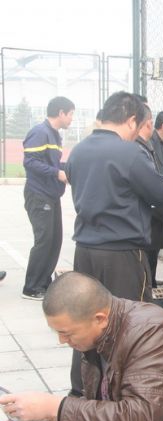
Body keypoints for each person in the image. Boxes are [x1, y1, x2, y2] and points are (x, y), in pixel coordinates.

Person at [0, 271, 163, 421]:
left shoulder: (152, 332)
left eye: (67, 333)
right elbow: (103, 406)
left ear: (99, 318)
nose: (62, 340)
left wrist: (56, 407)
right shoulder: (97, 337)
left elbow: (139, 417)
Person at [65, 91, 163, 395]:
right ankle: (121, 390)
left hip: (85, 250)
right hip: (121, 253)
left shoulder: (79, 151)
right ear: (132, 121)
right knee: (127, 322)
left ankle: (82, 387)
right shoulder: (129, 153)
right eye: (139, 125)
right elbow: (159, 192)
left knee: (85, 319)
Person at [22, 96, 75, 300]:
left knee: (54, 240)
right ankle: (31, 287)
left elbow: (51, 162)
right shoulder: (40, 132)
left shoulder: (54, 135)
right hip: (39, 194)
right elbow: (30, 162)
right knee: (44, 240)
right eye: (70, 114)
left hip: (51, 195)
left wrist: (66, 168)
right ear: (61, 113)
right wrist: (57, 173)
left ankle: (43, 282)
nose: (71, 119)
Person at [135, 105, 163, 288]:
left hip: (151, 214)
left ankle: (151, 281)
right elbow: (151, 185)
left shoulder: (158, 144)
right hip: (147, 214)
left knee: (152, 252)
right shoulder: (140, 148)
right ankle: (147, 284)